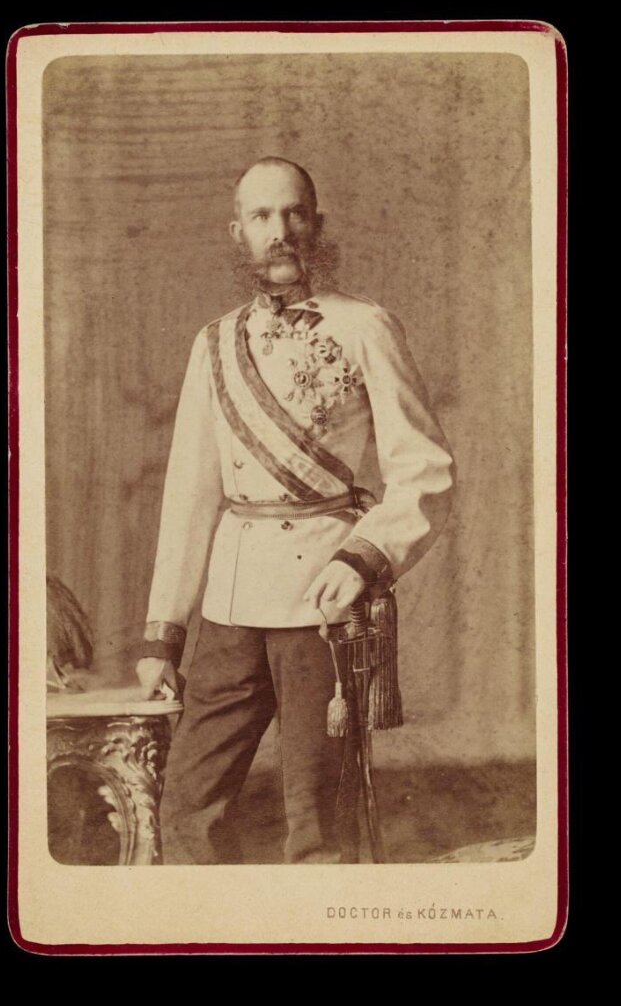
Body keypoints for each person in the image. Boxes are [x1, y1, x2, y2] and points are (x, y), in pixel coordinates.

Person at [135, 156, 455, 864]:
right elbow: (190, 495)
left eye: (292, 214)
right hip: (229, 597)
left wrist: (365, 558)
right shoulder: (214, 343)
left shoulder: (365, 327)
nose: (278, 231)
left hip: (322, 596)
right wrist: (163, 636)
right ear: (237, 233)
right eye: (260, 217)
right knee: (188, 808)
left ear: (316, 224)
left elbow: (424, 470)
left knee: (318, 819)